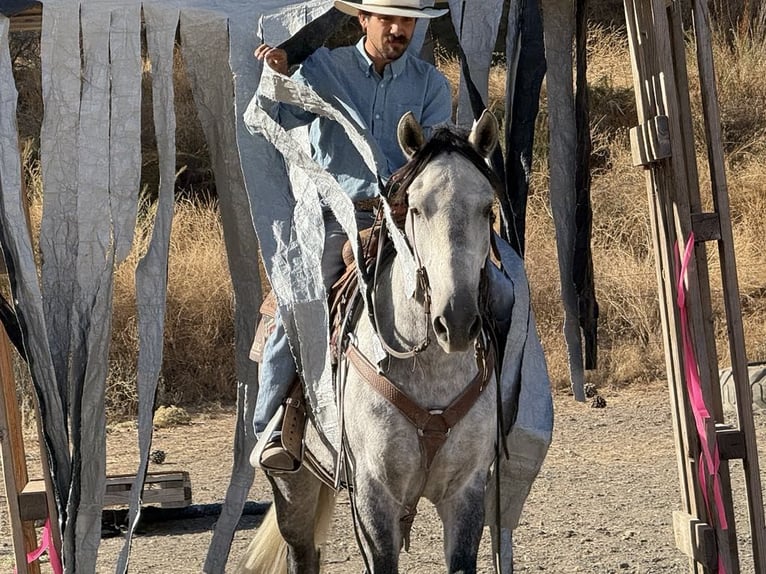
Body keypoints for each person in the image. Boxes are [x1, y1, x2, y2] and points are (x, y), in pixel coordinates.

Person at [252, 0, 452, 471]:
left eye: (407, 21)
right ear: (363, 19)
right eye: (389, 19)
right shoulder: (321, 66)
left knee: (474, 284)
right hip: (334, 216)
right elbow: (281, 120)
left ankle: (498, 412)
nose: (399, 29)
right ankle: (272, 427)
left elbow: (438, 158)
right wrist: (278, 76)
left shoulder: (430, 84)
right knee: (298, 303)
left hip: (408, 218)